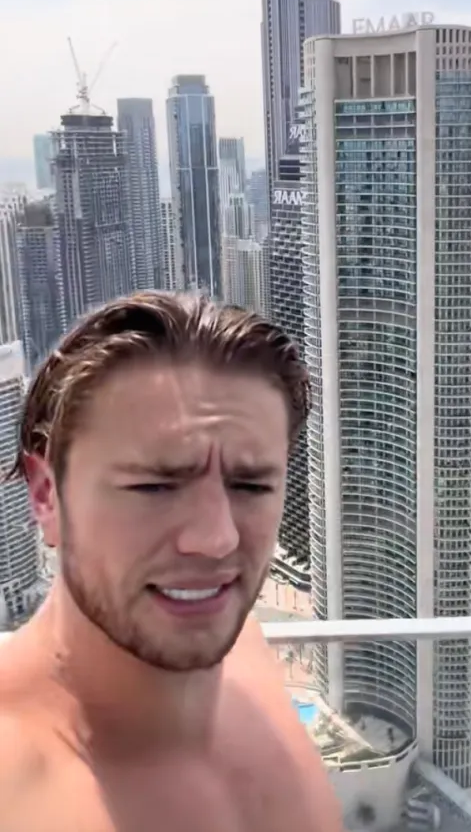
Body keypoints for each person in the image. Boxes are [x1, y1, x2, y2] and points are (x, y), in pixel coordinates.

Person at [0, 292, 343, 831]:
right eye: (154, 485)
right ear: (47, 495)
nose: (216, 538)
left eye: (251, 485)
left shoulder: (245, 655)